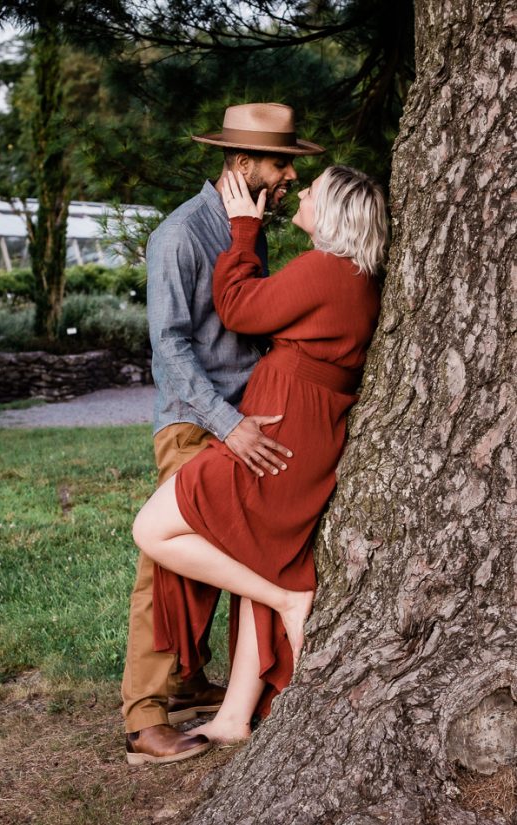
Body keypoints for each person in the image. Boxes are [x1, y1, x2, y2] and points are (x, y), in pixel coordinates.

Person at [131, 164, 388, 753]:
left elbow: (241, 310)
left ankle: (287, 599)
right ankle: (233, 716)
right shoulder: (348, 275)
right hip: (291, 428)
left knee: (153, 529)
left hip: (276, 434)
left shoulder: (327, 270)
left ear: (334, 213)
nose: (298, 189)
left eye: (313, 189)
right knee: (259, 562)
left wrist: (244, 231)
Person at [122, 102, 325, 765]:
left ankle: (188, 681)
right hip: (197, 421)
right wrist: (230, 423)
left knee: (229, 553)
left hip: (248, 418)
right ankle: (145, 716)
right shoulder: (179, 235)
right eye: (281, 165)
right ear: (242, 165)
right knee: (166, 560)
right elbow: (171, 351)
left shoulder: (249, 228)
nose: (290, 178)